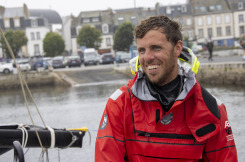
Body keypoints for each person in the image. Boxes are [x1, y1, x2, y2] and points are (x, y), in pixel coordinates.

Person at [95, 15, 238, 161]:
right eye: (142, 50)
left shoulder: (211, 108)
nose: (147, 57)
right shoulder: (119, 104)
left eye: (156, 48)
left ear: (177, 48)